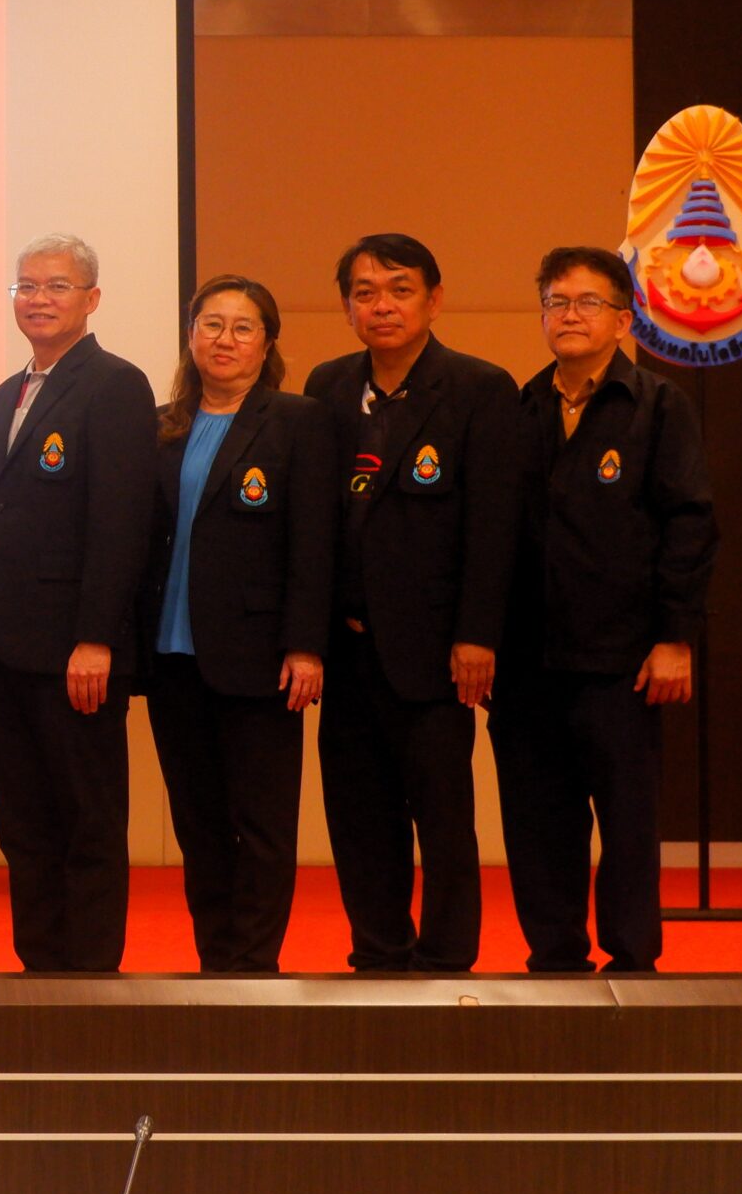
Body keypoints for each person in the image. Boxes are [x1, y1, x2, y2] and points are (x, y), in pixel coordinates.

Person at [490, 245, 716, 972]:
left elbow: (690, 525)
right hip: (527, 662)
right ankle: (554, 957)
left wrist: (675, 638)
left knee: (627, 822)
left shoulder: (657, 406)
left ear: (622, 321)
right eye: (556, 302)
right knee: (536, 821)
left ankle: (633, 963)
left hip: (623, 661)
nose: (569, 315)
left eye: (588, 302)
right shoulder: (520, 408)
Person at [302, 233, 520, 973]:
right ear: (346, 308)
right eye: (365, 293)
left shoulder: (478, 388)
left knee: (443, 817)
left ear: (434, 299)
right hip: (347, 647)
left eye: (399, 290)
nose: (382, 306)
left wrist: (477, 635)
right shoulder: (328, 386)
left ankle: (449, 958)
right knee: (359, 814)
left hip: (433, 649)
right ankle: (379, 951)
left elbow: (494, 526)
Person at [0, 233, 155, 973]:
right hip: (6, 655)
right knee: (25, 826)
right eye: (27, 286)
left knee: (86, 823)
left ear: (91, 298)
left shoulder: (116, 384)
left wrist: (97, 637)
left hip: (76, 652)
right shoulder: (6, 394)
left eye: (57, 286)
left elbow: (121, 523)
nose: (39, 299)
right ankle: (40, 972)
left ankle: (90, 979)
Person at [137, 276, 337, 973]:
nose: (225, 340)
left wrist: (306, 645)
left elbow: (314, 542)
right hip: (171, 657)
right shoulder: (160, 425)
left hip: (258, 658)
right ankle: (215, 962)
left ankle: (253, 969)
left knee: (261, 826)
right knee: (199, 825)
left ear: (267, 342)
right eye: (211, 325)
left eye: (242, 327)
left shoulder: (298, 421)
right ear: (191, 336)